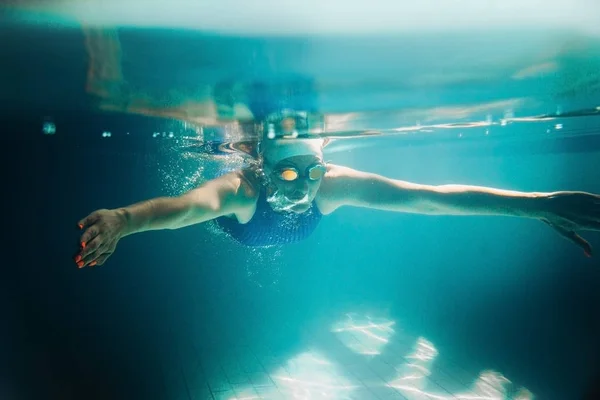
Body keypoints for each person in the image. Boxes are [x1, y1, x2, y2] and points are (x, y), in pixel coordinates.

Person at [74, 111, 600, 268]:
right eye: (286, 172)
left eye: (314, 171)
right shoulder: (240, 191)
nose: (303, 185)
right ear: (261, 160)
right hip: (239, 233)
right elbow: (185, 209)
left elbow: (431, 198)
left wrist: (540, 205)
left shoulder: (333, 185)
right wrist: (126, 219)